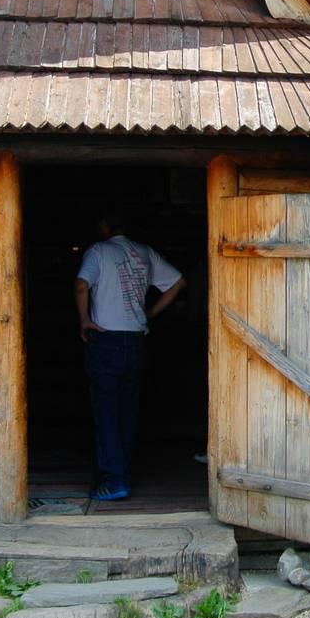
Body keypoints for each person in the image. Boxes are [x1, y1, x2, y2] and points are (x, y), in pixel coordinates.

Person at [74, 207, 185, 502]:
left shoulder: (98, 251)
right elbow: (177, 282)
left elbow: (81, 284)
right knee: (127, 412)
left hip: (105, 341)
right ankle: (122, 472)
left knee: (106, 412)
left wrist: (84, 319)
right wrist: (151, 313)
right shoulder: (144, 252)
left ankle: (114, 480)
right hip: (135, 340)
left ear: (106, 225)